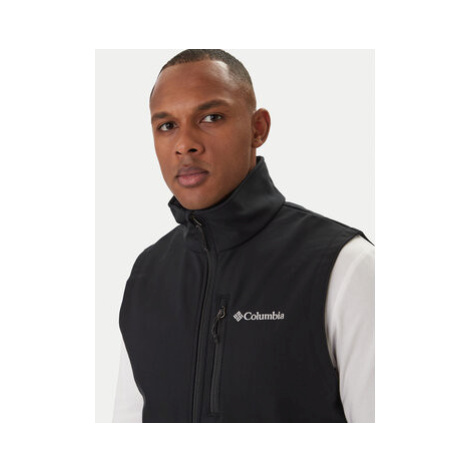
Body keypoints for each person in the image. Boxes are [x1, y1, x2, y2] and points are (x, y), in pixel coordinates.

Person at [113, 49, 374, 423]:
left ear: (258, 129)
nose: (185, 143)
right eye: (167, 125)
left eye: (211, 118)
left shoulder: (344, 267)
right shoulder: (147, 276)